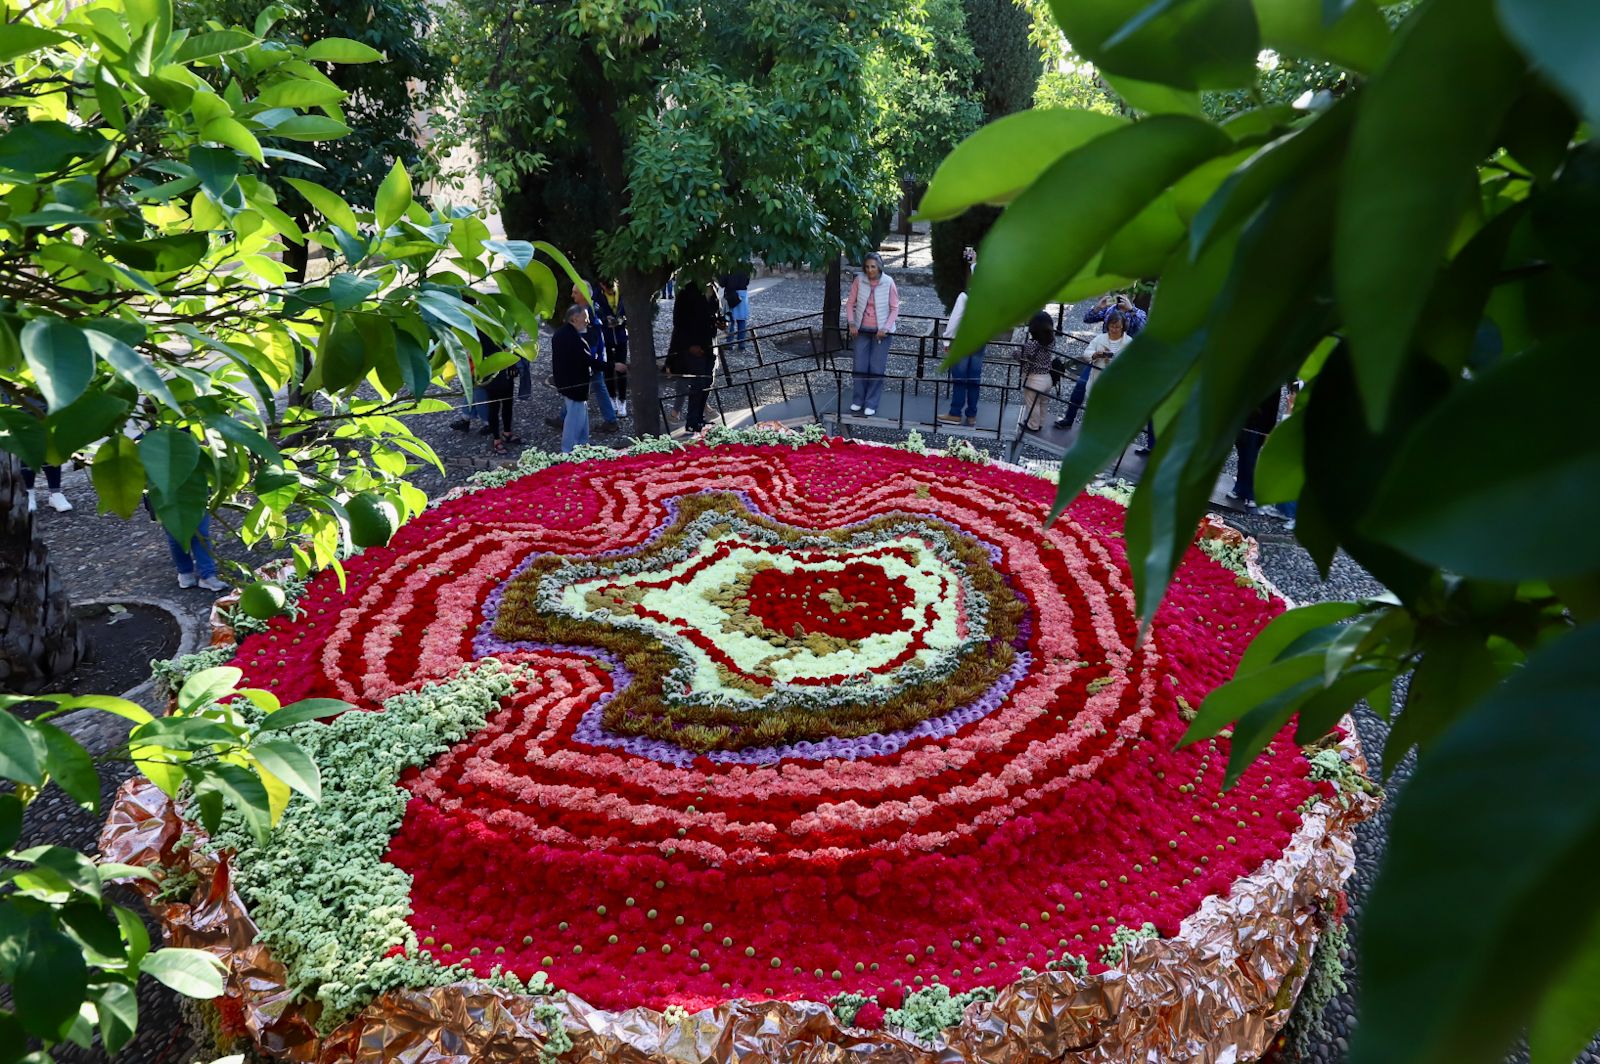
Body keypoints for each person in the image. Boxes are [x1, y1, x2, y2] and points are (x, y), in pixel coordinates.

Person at [1054, 311, 1133, 430]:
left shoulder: (1129, 342)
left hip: (1115, 377)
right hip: (1097, 371)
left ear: (1123, 327)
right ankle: (1070, 419)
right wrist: (1095, 355)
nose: (1114, 329)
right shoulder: (1100, 338)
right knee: (1081, 388)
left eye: (1117, 327)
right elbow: (1087, 352)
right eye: (1112, 326)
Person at [845, 252, 899, 416]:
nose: (870, 270)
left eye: (873, 267)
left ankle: (871, 403)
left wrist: (885, 328)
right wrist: (851, 322)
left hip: (881, 333)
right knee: (859, 366)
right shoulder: (859, 280)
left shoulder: (888, 282)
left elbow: (895, 308)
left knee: (876, 368)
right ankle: (858, 400)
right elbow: (849, 304)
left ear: (879, 267)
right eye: (867, 267)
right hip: (861, 330)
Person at [937, 249, 982, 427]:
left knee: (960, 379)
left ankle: (955, 413)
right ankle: (972, 415)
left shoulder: (965, 296)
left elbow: (954, 321)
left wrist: (947, 341)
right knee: (974, 379)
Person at [667, 277, 719, 432]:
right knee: (697, 384)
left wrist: (720, 322)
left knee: (707, 382)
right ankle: (692, 421)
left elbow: (714, 313)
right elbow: (679, 322)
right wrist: (689, 345)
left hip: (709, 343)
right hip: (693, 346)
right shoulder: (688, 291)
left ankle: (698, 419)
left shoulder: (713, 289)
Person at [574, 282, 622, 430]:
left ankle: (611, 420)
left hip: (592, 357)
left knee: (583, 386)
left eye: (575, 292)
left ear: (583, 294)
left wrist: (590, 359)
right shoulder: (590, 308)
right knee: (591, 385)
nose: (572, 295)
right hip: (593, 357)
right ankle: (611, 420)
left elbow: (594, 337)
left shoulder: (591, 311)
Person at [1229, 385, 1284, 509]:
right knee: (1242, 455)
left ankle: (1251, 494)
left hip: (1258, 426)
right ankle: (1239, 488)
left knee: (1250, 459)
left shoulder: (1273, 385)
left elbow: (1273, 409)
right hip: (1244, 422)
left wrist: (1268, 430)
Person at [552, 304, 594, 452]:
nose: (588, 321)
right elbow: (587, 360)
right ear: (575, 318)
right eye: (585, 317)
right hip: (575, 386)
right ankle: (569, 452)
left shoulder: (562, 333)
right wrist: (613, 366)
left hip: (570, 385)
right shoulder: (572, 338)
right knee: (574, 421)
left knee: (581, 420)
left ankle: (582, 447)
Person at [1017, 311, 1057, 433]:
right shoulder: (1051, 341)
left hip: (1033, 379)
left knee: (1032, 404)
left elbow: (1022, 357)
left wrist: (1015, 352)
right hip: (1047, 377)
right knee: (1043, 403)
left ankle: (1032, 425)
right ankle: (1040, 423)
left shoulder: (1031, 344)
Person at [718, 266, 751, 351]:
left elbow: (722, 283)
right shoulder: (744, 265)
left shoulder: (727, 265)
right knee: (741, 320)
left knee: (730, 320)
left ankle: (729, 344)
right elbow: (747, 281)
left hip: (730, 294)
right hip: (742, 293)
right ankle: (741, 344)